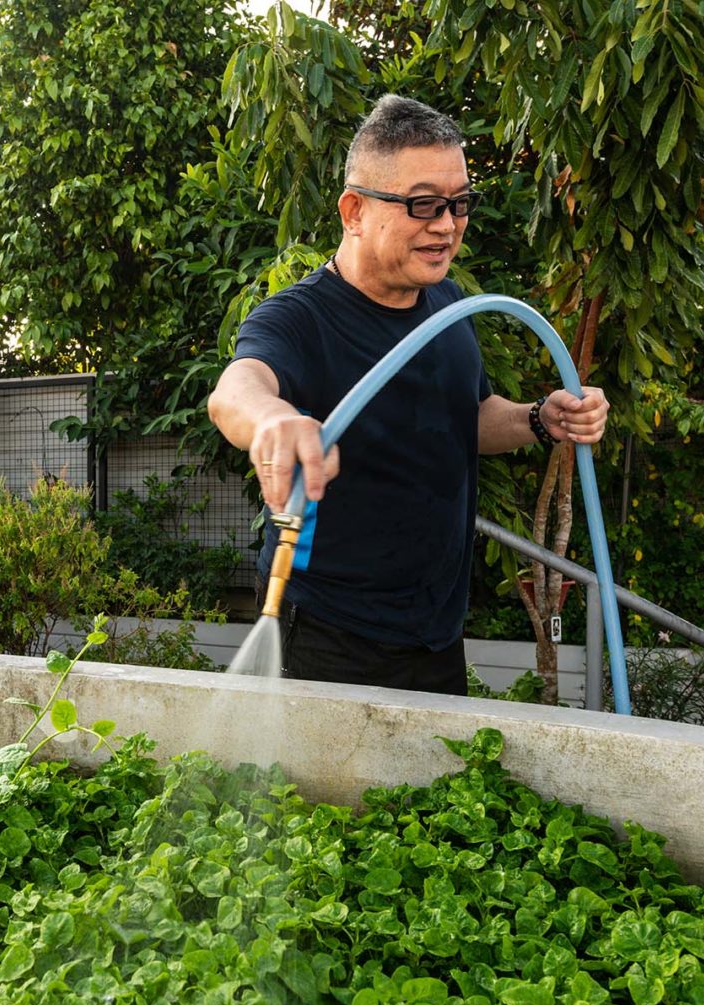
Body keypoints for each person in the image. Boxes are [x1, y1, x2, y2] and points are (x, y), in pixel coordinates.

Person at [206, 94, 609, 695]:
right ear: (354, 211)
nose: (446, 225)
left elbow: (466, 417)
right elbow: (236, 390)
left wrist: (539, 418)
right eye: (423, 204)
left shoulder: (447, 304)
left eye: (458, 203)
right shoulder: (299, 317)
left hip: (436, 631)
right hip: (331, 634)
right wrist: (271, 420)